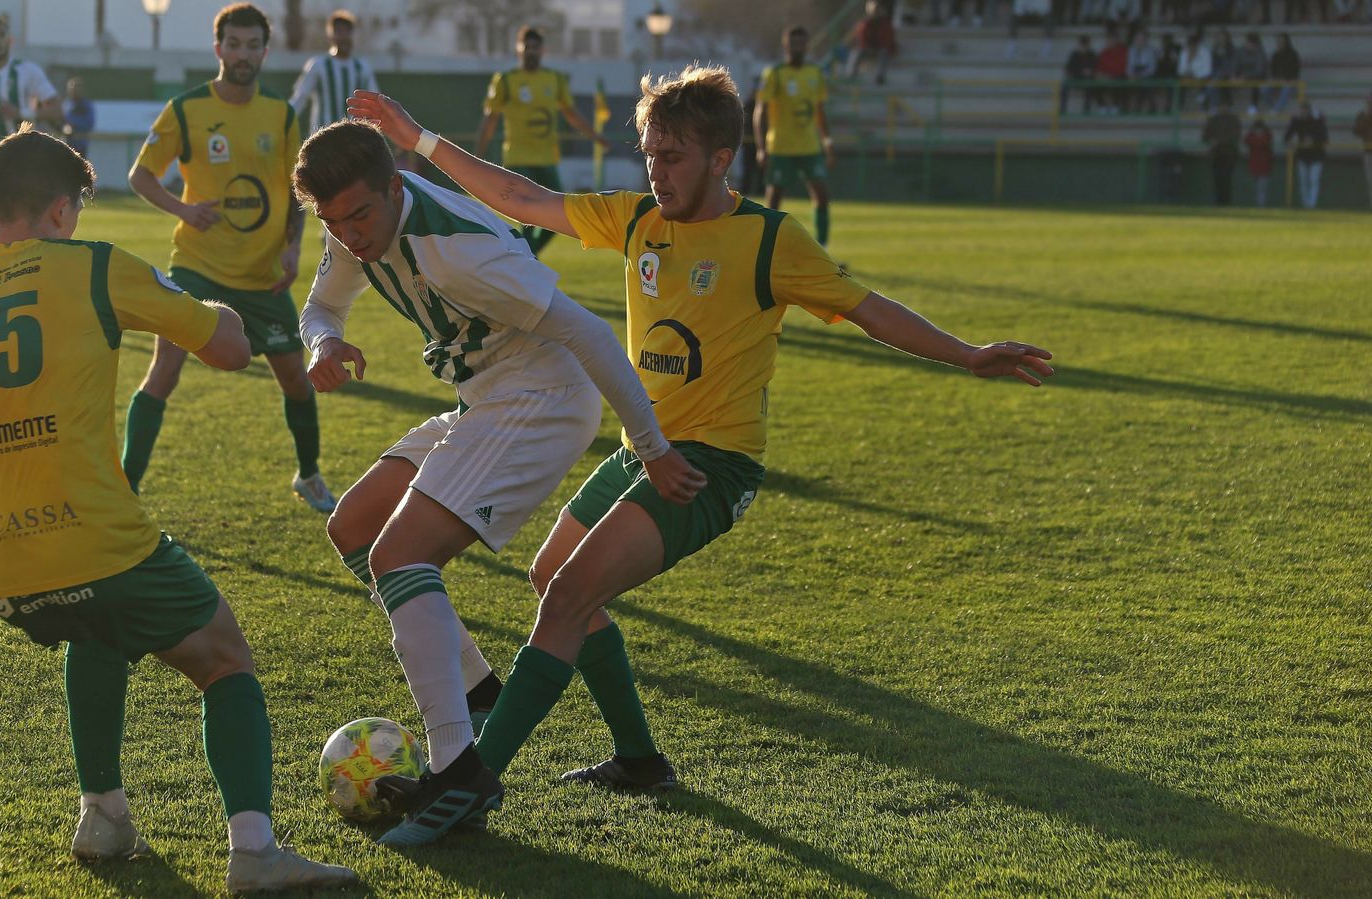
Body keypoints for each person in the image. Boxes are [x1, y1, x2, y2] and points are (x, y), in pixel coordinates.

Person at [347, 67, 1052, 835]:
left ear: (721, 158)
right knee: (552, 574)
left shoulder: (769, 239)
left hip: (713, 465)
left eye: (674, 156)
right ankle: (640, 760)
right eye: (650, 154)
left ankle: (470, 781)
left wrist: (968, 353)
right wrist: (414, 138)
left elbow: (869, 309)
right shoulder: (638, 220)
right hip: (644, 452)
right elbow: (520, 199)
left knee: (567, 595)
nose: (657, 171)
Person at [0, 127, 357, 894]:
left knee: (94, 623)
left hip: (2, 565)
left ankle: (103, 813)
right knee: (225, 655)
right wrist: (210, 304)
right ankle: (255, 852)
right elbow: (228, 347)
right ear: (62, 211)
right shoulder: (94, 266)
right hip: (100, 541)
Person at [292, 120, 703, 847]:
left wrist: (652, 446)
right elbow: (321, 305)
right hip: (485, 393)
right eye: (332, 222)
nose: (349, 236)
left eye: (359, 216)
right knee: (354, 526)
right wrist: (324, 340)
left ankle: (457, 771)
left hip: (541, 397)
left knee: (400, 556)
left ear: (394, 188)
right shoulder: (356, 214)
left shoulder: (457, 254)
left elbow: (589, 333)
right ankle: (481, 692)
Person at [124, 3, 334, 510]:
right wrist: (183, 209)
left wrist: (291, 246)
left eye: (252, 45)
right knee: (164, 373)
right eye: (233, 45)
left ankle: (309, 476)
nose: (242, 54)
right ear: (218, 48)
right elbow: (141, 175)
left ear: (265, 50)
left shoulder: (282, 115)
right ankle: (124, 488)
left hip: (262, 277)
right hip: (197, 266)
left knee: (296, 381)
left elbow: (296, 187)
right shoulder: (186, 109)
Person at [475, 26, 610, 255]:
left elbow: (571, 114)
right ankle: (525, 259)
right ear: (519, 49)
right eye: (526, 46)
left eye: (535, 47)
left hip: (547, 158)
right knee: (526, 216)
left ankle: (524, 256)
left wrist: (595, 137)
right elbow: (490, 119)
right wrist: (477, 156)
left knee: (559, 215)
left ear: (543, 50)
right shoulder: (506, 81)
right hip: (518, 158)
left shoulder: (554, 80)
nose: (531, 51)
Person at [0, 15, 62, 226]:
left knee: (26, 223)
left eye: (1, 35)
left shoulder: (27, 72)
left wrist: (22, 112)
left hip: (24, 158)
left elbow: (56, 109)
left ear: (10, 41)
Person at [756, 25, 836, 245]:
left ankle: (823, 249)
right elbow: (760, 111)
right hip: (781, 147)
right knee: (774, 199)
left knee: (822, 196)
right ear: (786, 45)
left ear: (807, 46)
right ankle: (766, 246)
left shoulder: (815, 74)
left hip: (810, 147)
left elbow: (819, 111)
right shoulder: (775, 73)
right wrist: (761, 147)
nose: (798, 48)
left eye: (802, 43)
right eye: (794, 43)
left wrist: (827, 143)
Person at [290, 9, 377, 138]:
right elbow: (300, 98)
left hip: (354, 140)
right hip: (323, 139)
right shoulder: (318, 65)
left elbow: (375, 102)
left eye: (347, 31)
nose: (344, 36)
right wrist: (283, 121)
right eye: (339, 31)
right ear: (331, 35)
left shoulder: (362, 67)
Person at [1284, 99, 1328, 208]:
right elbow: (1287, 137)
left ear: (1309, 111)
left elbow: (1325, 138)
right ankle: (1305, 205)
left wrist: (1313, 141)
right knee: (1303, 181)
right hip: (1302, 155)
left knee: (1313, 180)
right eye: (1302, 110)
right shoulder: (1297, 122)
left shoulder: (1317, 121)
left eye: (1305, 110)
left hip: (1316, 155)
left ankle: (1311, 205)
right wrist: (1293, 142)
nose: (1303, 112)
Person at [846, 1, 899, 84]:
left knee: (884, 53)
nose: (875, 14)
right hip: (868, 48)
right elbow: (861, 40)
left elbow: (888, 40)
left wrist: (889, 48)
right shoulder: (864, 24)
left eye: (877, 11)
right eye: (874, 11)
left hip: (880, 48)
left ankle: (880, 77)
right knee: (857, 52)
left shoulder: (885, 24)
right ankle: (851, 74)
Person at [1202, 101, 1242, 204]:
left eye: (1225, 106)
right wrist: (1213, 142)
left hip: (1229, 154)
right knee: (1217, 180)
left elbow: (1236, 135)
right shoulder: (1213, 120)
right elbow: (1205, 136)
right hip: (1216, 154)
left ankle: (1226, 202)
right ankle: (1218, 202)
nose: (1223, 108)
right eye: (1221, 106)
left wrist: (1219, 141)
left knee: (1226, 180)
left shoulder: (1233, 120)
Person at [1061, 37, 1098, 115]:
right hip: (1075, 78)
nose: (1083, 47)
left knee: (1090, 86)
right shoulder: (1074, 55)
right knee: (1064, 86)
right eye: (1082, 45)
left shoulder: (1092, 55)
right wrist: (1081, 72)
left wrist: (1090, 72)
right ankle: (1062, 109)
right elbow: (1068, 69)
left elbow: (1094, 69)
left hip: (1087, 80)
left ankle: (1086, 110)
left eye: (1085, 45)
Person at [62, 77, 95, 159]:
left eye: (76, 89)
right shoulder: (66, 105)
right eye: (71, 89)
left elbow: (89, 123)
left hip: (81, 146)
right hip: (66, 145)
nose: (74, 92)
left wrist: (73, 124)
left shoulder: (87, 106)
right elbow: (61, 121)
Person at [1244, 115, 1275, 205]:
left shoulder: (1267, 136)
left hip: (1265, 166)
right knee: (1253, 189)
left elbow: (1264, 142)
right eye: (1257, 129)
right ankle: (1254, 205)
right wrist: (1253, 135)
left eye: (1260, 129)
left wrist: (1257, 140)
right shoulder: (1251, 137)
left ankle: (1261, 206)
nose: (1258, 131)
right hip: (1253, 166)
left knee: (1262, 189)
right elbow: (1246, 140)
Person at [1268, 33, 1300, 112]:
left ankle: (1276, 109)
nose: (1279, 44)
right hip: (1278, 80)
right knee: (1263, 89)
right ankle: (1273, 105)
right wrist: (1277, 79)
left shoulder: (1293, 54)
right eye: (1278, 42)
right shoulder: (1275, 55)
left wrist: (1286, 79)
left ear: (1286, 42)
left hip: (1290, 81)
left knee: (1286, 88)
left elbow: (1295, 71)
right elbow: (1273, 70)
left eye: (1281, 42)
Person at [1353, 92, 1372, 209]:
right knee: (1370, 181)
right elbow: (1357, 131)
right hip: (1368, 151)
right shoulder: (1362, 115)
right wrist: (1366, 117)